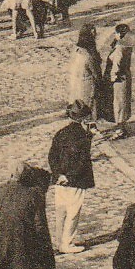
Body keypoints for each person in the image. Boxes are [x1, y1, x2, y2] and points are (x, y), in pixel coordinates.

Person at [48, 102, 95, 253]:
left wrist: (58, 174)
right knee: (73, 212)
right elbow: (83, 161)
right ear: (84, 119)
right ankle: (66, 243)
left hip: (60, 180)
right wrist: (70, 176)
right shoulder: (83, 137)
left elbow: (52, 156)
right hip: (75, 181)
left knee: (60, 211)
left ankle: (58, 241)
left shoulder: (61, 133)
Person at [67, 24, 102, 111]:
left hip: (75, 82)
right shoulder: (88, 54)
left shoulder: (76, 50)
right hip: (87, 84)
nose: (95, 35)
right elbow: (96, 73)